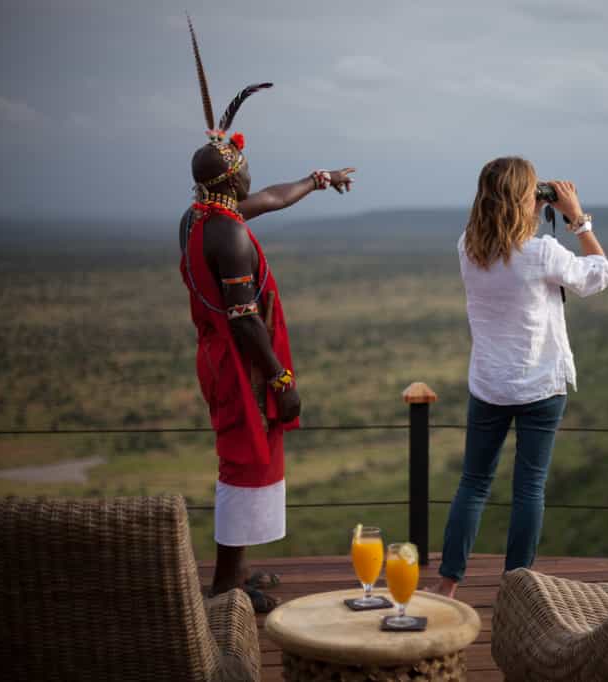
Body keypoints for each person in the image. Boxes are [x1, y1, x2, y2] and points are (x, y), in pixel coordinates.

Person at [178, 17, 355, 613]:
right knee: (244, 461)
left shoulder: (202, 216)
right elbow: (245, 320)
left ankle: (239, 573)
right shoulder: (226, 237)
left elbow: (273, 198)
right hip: (241, 361)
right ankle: (226, 590)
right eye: (243, 165)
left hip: (231, 357)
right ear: (232, 178)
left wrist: (317, 179)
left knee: (252, 458)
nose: (252, 170)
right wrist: (281, 380)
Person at [431, 157, 608, 598]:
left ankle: (447, 585)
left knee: (473, 484)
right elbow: (600, 274)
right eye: (534, 192)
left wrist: (531, 204)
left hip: (489, 385)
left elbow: (500, 235)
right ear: (525, 200)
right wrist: (577, 218)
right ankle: (515, 588)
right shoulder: (542, 254)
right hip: (540, 387)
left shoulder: (467, 247)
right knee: (528, 487)